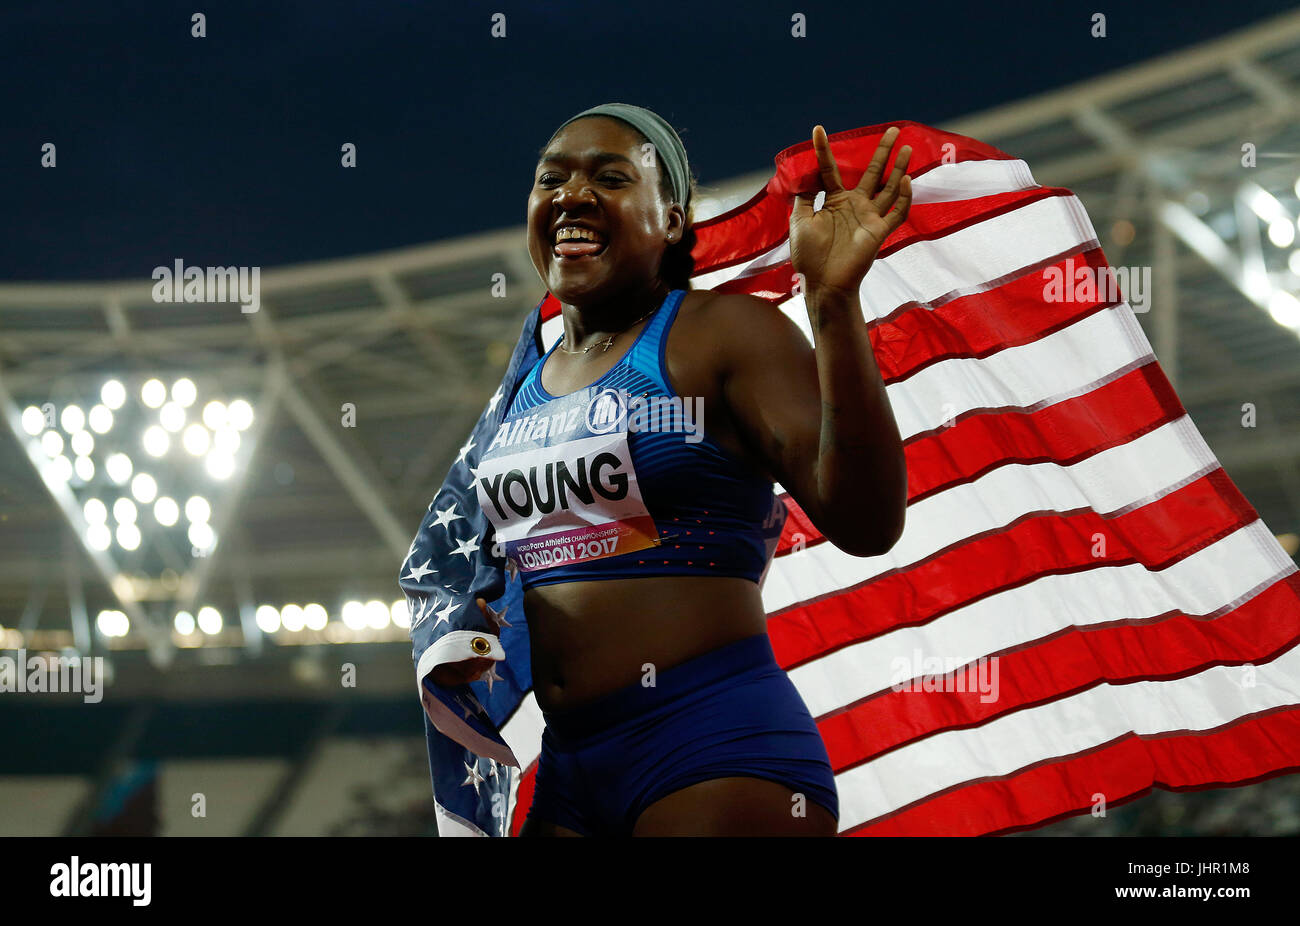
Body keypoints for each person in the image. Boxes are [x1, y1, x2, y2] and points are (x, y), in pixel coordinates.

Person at [431, 102, 910, 836]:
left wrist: (833, 304)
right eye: (550, 178)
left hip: (712, 747)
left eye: (611, 178)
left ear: (674, 221)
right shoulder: (522, 386)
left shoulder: (720, 335)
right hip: (569, 771)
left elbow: (868, 522)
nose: (572, 196)